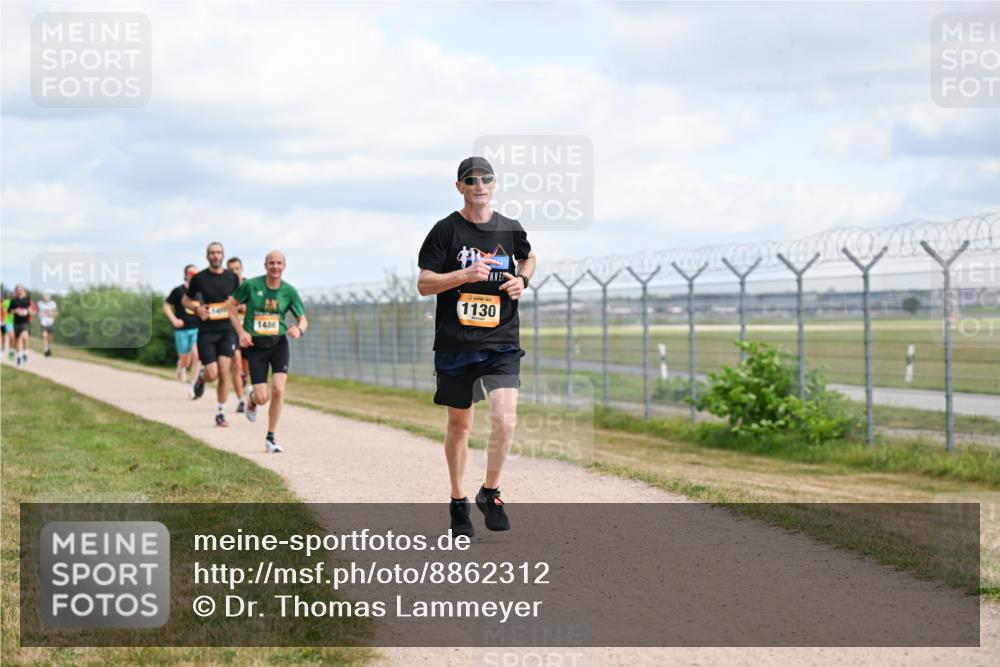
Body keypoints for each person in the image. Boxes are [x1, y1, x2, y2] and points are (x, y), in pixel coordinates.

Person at [416, 156, 536, 537]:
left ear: (494, 184)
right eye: (471, 180)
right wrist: (464, 275)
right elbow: (424, 283)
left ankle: (490, 491)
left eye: (485, 179)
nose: (479, 185)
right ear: (460, 187)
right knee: (459, 425)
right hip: (457, 344)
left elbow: (528, 257)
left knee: (505, 420)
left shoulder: (510, 228)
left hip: (502, 341)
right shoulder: (445, 231)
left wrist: (523, 280)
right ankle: (458, 500)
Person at [229, 250, 308, 453]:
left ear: (284, 266)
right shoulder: (251, 285)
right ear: (265, 266)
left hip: (278, 343)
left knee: (279, 390)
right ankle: (253, 398)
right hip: (256, 346)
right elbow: (230, 307)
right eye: (271, 263)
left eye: (279, 263)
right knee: (263, 398)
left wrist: (299, 330)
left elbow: (303, 319)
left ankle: (270, 438)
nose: (275, 266)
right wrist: (241, 332)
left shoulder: (289, 291)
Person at [183, 242, 240, 426]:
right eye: (212, 253)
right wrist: (197, 309)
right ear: (207, 256)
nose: (216, 255)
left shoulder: (232, 277)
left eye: (218, 252)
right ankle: (202, 378)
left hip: (227, 330)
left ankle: (221, 413)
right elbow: (185, 300)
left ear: (223, 255)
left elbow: (240, 300)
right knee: (212, 374)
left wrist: (237, 305)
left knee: (224, 371)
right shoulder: (199, 278)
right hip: (207, 331)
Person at [163, 265, 202, 387]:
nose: (193, 275)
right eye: (191, 273)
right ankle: (181, 365)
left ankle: (193, 385)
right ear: (185, 275)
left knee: (197, 356)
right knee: (186, 360)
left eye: (196, 273)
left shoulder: (201, 292)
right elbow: (166, 306)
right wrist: (174, 320)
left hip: (198, 328)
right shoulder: (178, 291)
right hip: (182, 329)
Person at [226, 256, 247, 413]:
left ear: (242, 269)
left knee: (247, 366)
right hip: (232, 330)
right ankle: (241, 400)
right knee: (236, 363)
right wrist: (237, 308)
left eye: (237, 269)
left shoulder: (250, 285)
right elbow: (223, 307)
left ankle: (245, 378)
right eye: (231, 270)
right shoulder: (224, 287)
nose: (235, 272)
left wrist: (246, 307)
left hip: (250, 330)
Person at [9, 285, 35, 366]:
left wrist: (28, 311)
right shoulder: (14, 301)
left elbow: (33, 312)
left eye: (21, 289)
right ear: (16, 291)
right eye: (18, 290)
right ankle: (19, 356)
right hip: (16, 322)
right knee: (18, 340)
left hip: (25, 322)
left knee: (24, 337)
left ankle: (25, 353)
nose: (19, 291)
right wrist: (16, 310)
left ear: (23, 290)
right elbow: (10, 311)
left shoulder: (28, 300)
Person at [2, 293, 13, 361]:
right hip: (7, 321)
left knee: (12, 338)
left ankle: (11, 351)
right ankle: (2, 349)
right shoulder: (6, 302)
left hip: (15, 322)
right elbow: (3, 310)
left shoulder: (19, 303)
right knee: (6, 336)